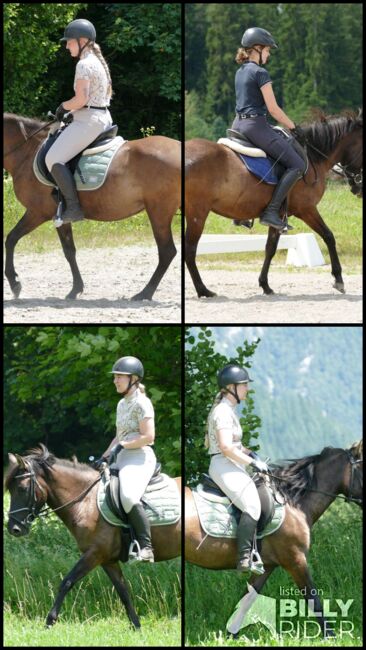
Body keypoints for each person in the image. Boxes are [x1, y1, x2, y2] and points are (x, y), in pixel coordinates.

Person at [232, 27, 306, 231]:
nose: (269, 54)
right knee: (297, 164)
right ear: (257, 48)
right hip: (255, 126)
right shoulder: (260, 72)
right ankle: (271, 211)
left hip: (237, 124)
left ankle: (240, 213)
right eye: (268, 50)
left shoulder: (240, 71)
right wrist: (293, 127)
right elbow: (273, 109)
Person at [45, 19, 113, 225]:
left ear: (82, 41)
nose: (66, 46)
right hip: (101, 116)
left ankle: (73, 208)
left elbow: (81, 99)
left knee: (53, 158)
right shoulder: (98, 62)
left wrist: (63, 107)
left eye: (69, 42)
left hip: (89, 120)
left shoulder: (84, 64)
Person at [205, 363, 268, 574]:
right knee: (252, 506)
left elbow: (235, 445)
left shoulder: (228, 410)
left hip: (230, 463)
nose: (247, 389)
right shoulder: (222, 411)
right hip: (224, 464)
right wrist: (252, 463)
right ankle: (244, 558)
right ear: (231, 387)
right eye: (244, 385)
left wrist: (251, 454)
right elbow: (225, 447)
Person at [99, 356, 156, 562]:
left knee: (129, 497)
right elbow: (119, 436)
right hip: (121, 456)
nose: (115, 381)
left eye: (119, 377)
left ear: (133, 379)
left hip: (139, 458)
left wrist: (123, 446)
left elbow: (149, 437)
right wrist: (104, 456)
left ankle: (146, 546)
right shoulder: (122, 404)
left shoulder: (143, 403)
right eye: (114, 377)